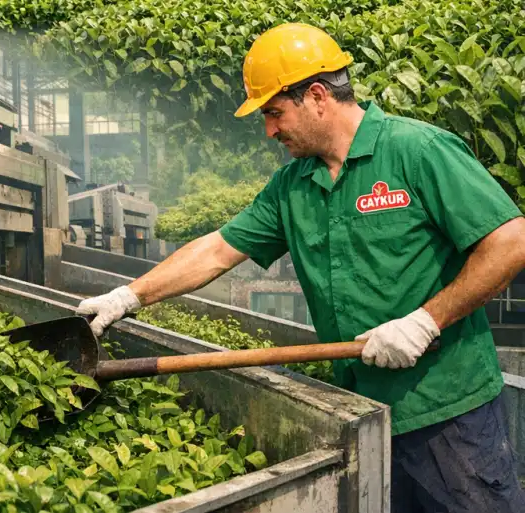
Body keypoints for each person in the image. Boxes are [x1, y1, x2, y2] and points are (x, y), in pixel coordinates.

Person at [77, 22, 525, 513]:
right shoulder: (293, 185)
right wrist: (128, 297)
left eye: (274, 113)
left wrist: (425, 321)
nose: (269, 130)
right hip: (362, 412)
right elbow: (218, 250)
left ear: (316, 96)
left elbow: (510, 241)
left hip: (450, 414)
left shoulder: (417, 151)